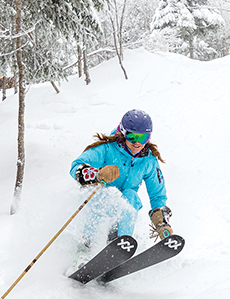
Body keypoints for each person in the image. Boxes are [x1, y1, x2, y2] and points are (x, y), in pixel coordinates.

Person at [69, 109, 173, 264]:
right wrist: (98, 174)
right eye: (132, 136)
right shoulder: (107, 148)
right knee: (102, 195)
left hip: (122, 209)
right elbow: (75, 167)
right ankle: (84, 249)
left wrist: (161, 222)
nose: (137, 143)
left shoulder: (148, 161)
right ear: (123, 133)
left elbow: (157, 194)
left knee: (130, 196)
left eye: (143, 137)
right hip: (98, 200)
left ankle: (119, 246)